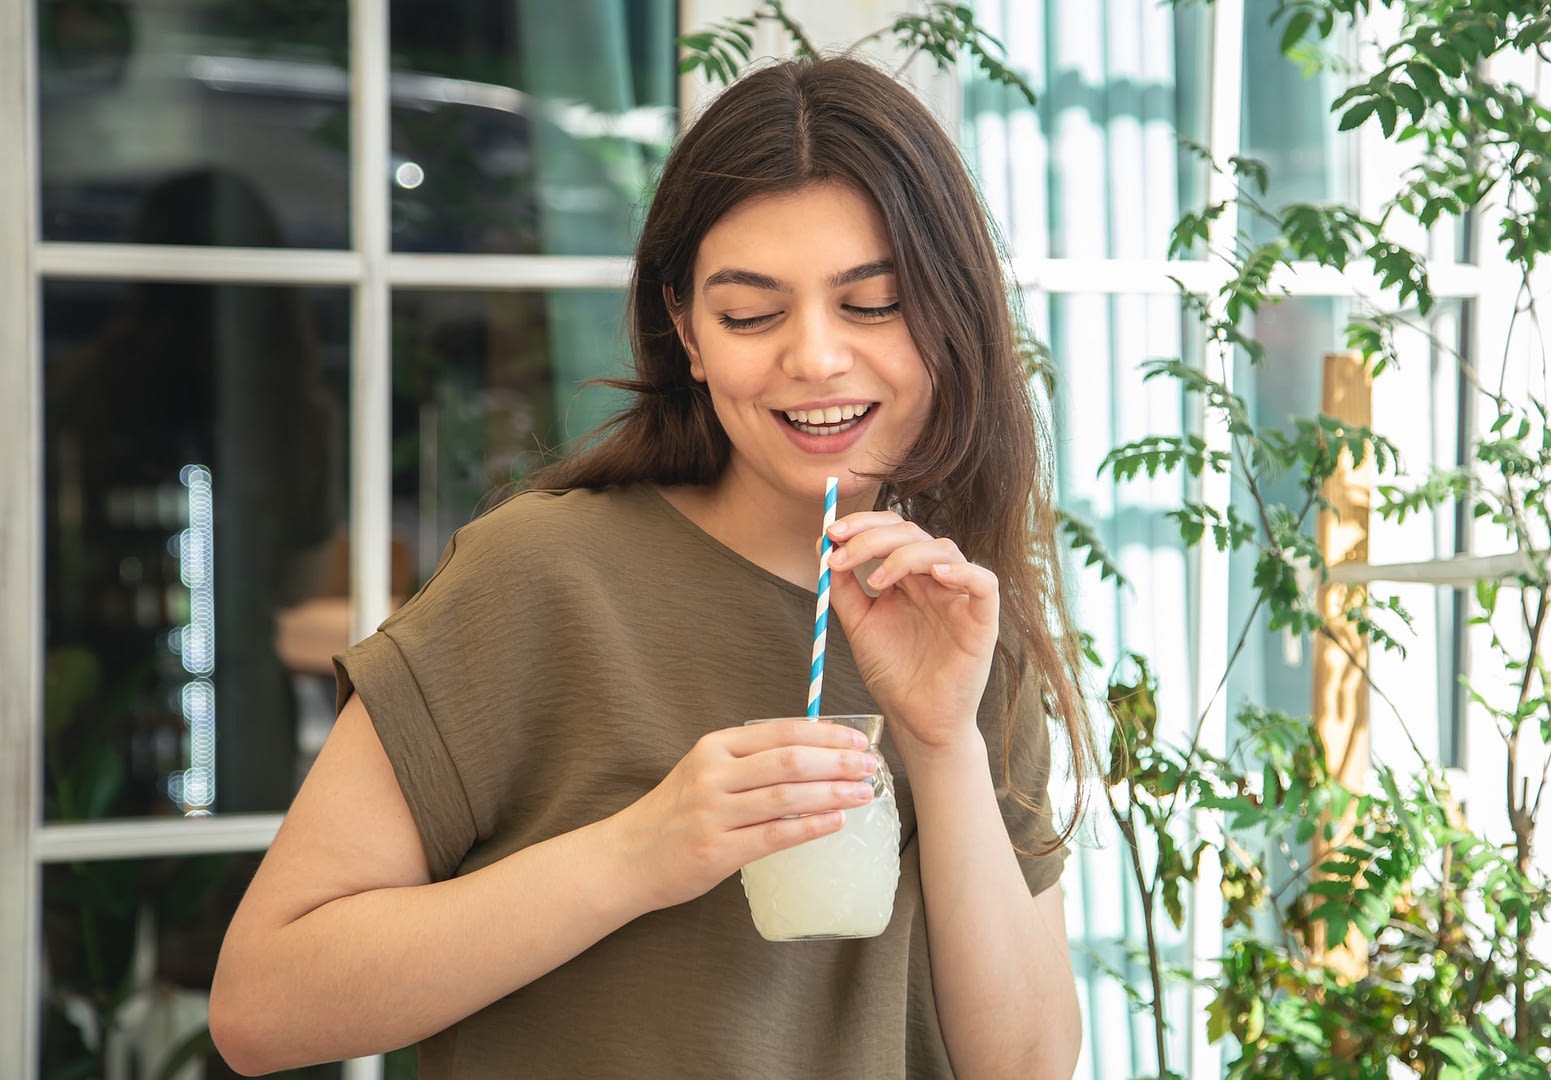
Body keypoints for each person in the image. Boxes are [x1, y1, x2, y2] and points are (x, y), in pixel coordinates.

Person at [210, 55, 1099, 1078]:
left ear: (952, 316)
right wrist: (641, 852)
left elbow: (1026, 1066)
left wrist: (943, 746)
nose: (814, 358)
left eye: (875, 304)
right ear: (685, 330)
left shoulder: (960, 622)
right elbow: (263, 1004)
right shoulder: (541, 577)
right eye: (752, 313)